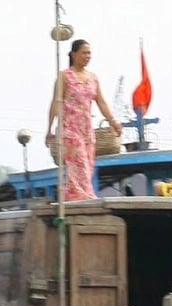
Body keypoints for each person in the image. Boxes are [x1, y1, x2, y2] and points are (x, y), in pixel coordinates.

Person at [44, 38, 120, 202]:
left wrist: (113, 121)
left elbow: (101, 102)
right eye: (84, 53)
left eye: (89, 53)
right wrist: (49, 129)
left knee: (88, 164)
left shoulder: (93, 78)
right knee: (79, 163)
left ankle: (74, 196)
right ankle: (83, 196)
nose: (87, 56)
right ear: (74, 54)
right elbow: (55, 102)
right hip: (70, 129)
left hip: (86, 128)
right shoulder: (65, 76)